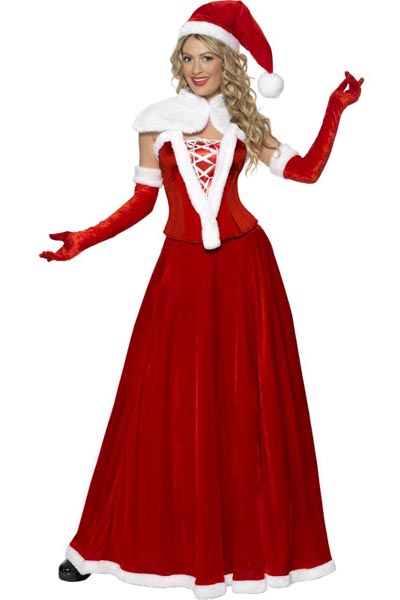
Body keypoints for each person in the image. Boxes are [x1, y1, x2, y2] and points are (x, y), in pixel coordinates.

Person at [40, 1, 363, 598]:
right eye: (187, 57)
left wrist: (334, 111)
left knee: (245, 401)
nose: (195, 68)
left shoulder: (246, 122)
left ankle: (246, 552)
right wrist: (85, 238)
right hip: (182, 273)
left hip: (245, 271)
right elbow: (143, 203)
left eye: (207, 57)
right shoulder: (155, 122)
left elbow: (305, 172)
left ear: (227, 63)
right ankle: (108, 545)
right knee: (157, 400)